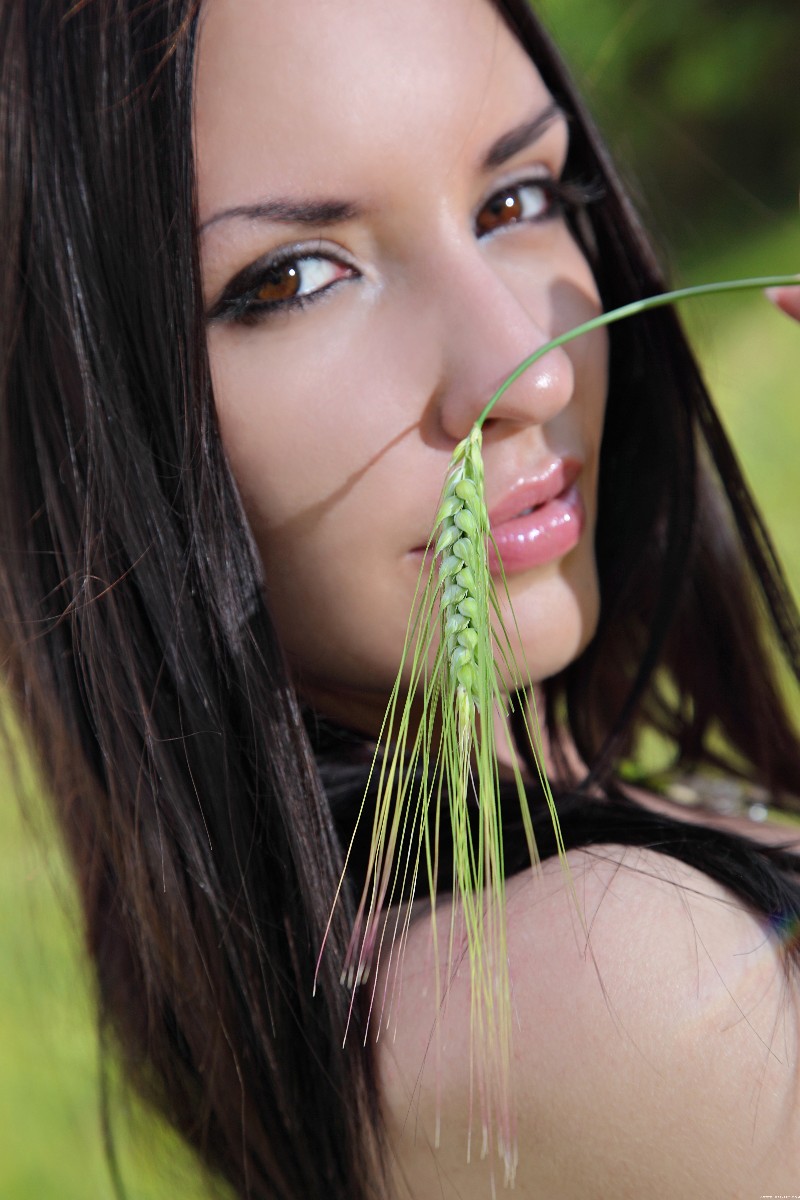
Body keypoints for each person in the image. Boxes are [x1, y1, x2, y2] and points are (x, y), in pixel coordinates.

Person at [1, 1, 799, 1197]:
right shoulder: (612, 983)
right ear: (89, 437)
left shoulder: (396, 936)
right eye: (294, 278)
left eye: (515, 200)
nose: (524, 370)